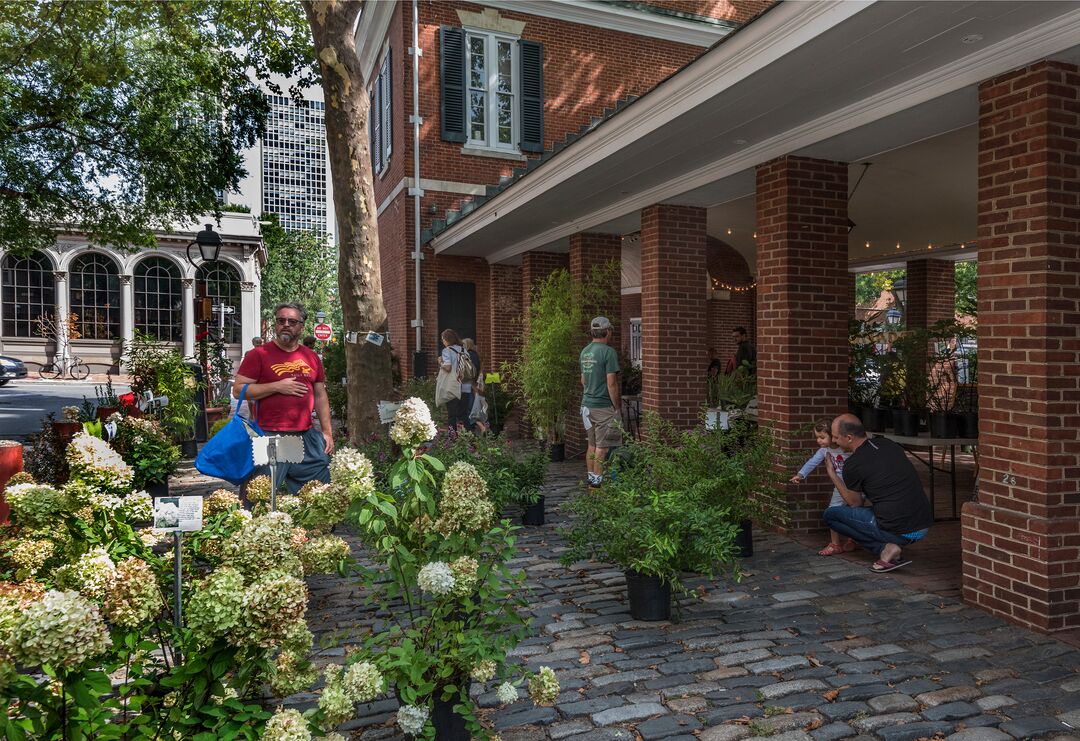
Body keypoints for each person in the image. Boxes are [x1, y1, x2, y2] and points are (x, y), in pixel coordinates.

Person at [233, 302, 333, 494]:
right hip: (269, 436)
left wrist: (327, 433)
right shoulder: (258, 355)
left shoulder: (311, 357)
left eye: (292, 321)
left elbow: (320, 395)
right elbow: (238, 390)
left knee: (318, 495)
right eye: (281, 320)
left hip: (306, 436)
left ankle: (311, 525)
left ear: (301, 326)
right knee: (259, 496)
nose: (286, 324)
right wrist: (277, 386)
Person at [823, 414, 933, 573]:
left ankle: (885, 548)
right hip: (923, 523)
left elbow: (855, 503)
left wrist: (832, 474)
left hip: (900, 531)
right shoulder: (888, 444)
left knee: (831, 515)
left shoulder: (852, 465)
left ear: (848, 438)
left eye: (835, 437)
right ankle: (889, 544)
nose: (833, 441)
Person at [790, 420, 856, 556]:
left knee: (855, 512)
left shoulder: (847, 447)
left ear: (833, 435)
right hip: (840, 486)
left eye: (822, 437)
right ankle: (835, 543)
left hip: (856, 485)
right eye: (817, 437)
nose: (818, 441)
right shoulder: (824, 450)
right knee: (833, 510)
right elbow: (813, 461)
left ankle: (853, 540)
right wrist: (801, 474)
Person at [580, 316, 621, 488]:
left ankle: (591, 479)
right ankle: (596, 485)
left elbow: (583, 380)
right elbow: (611, 383)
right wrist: (617, 407)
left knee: (592, 445)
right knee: (602, 448)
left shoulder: (585, 351)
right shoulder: (608, 352)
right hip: (602, 407)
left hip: (586, 406)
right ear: (607, 331)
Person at [439, 329, 468, 431]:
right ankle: (466, 436)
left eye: (442, 339)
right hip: (465, 385)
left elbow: (448, 368)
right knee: (463, 413)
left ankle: (452, 437)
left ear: (446, 339)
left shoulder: (447, 350)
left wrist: (440, 362)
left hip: (452, 385)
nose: (442, 341)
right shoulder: (464, 350)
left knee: (452, 414)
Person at [460, 338, 482, 431]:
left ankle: (469, 427)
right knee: (471, 405)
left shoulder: (467, 355)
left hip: (467, 383)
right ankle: (471, 426)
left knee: (468, 407)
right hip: (473, 382)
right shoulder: (475, 355)